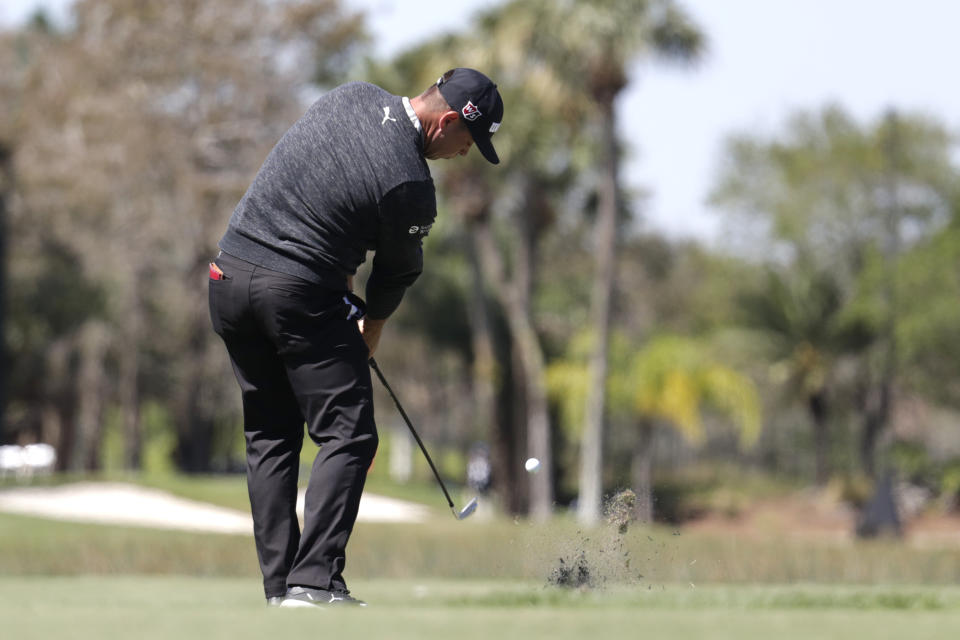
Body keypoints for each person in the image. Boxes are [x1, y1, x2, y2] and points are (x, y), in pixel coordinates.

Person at [207, 68, 504, 608]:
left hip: (228, 279)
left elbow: (326, 198)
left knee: (271, 438)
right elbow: (394, 276)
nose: (465, 154)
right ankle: (314, 582)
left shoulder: (354, 96)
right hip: (293, 291)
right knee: (350, 435)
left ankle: (282, 592)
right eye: (469, 142)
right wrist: (370, 330)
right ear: (447, 122)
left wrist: (340, 282)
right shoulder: (412, 184)